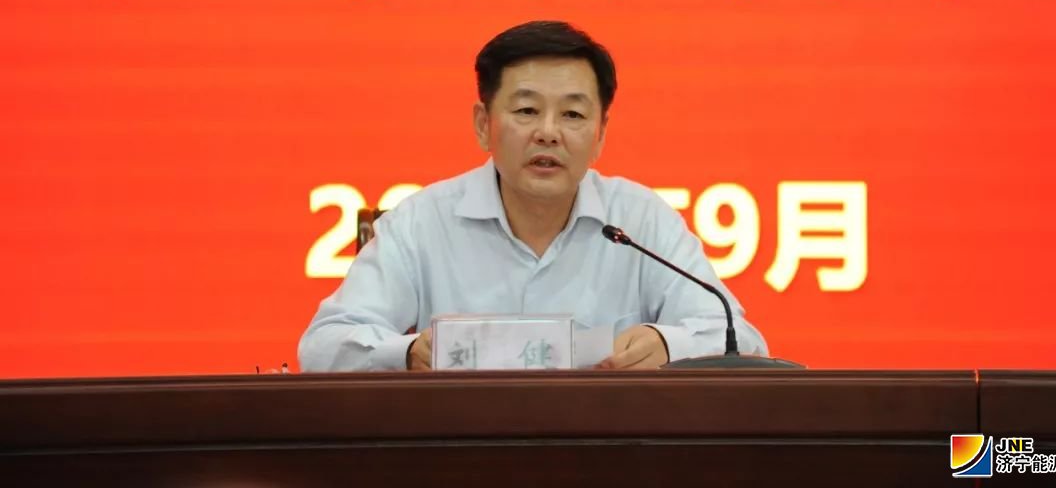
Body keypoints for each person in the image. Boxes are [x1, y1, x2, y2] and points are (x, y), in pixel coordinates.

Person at [299, 20, 767, 371]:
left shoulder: (640, 221)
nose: (548, 132)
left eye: (572, 115)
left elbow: (741, 341)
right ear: (483, 124)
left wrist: (667, 345)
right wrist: (406, 354)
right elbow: (323, 345)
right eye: (526, 110)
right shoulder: (419, 223)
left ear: (601, 134)